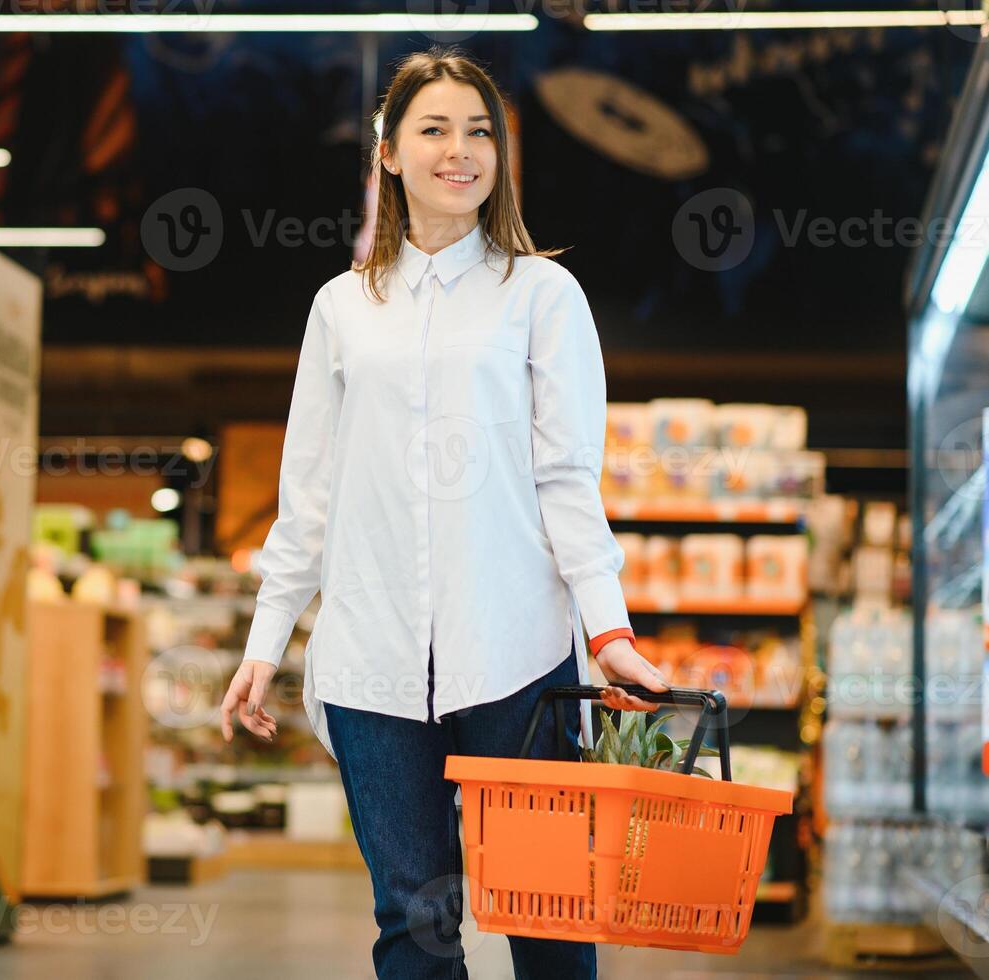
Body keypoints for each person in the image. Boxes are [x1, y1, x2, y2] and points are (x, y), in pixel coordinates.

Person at [217, 45, 670, 980]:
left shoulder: (541, 294)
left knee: (545, 912)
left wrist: (608, 627)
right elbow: (308, 490)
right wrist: (264, 643)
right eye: (433, 129)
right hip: (371, 661)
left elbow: (565, 479)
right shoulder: (343, 309)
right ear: (387, 153)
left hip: (516, 653)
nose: (458, 150)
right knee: (411, 922)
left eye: (479, 132)